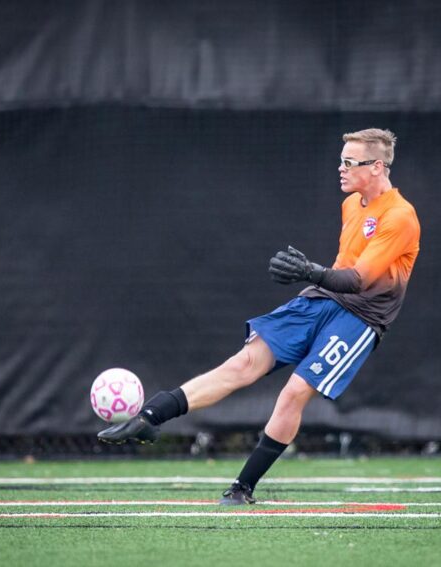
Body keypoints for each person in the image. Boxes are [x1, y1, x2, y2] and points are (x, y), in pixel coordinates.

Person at [98, 128, 421, 505]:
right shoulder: (352, 204)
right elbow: (339, 277)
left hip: (362, 315)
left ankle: (242, 487)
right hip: (322, 298)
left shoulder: (400, 217)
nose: (341, 168)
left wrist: (310, 271)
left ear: (378, 166)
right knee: (243, 363)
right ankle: (149, 418)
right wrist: (315, 278)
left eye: (350, 162)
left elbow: (357, 280)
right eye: (341, 160)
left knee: (294, 393)